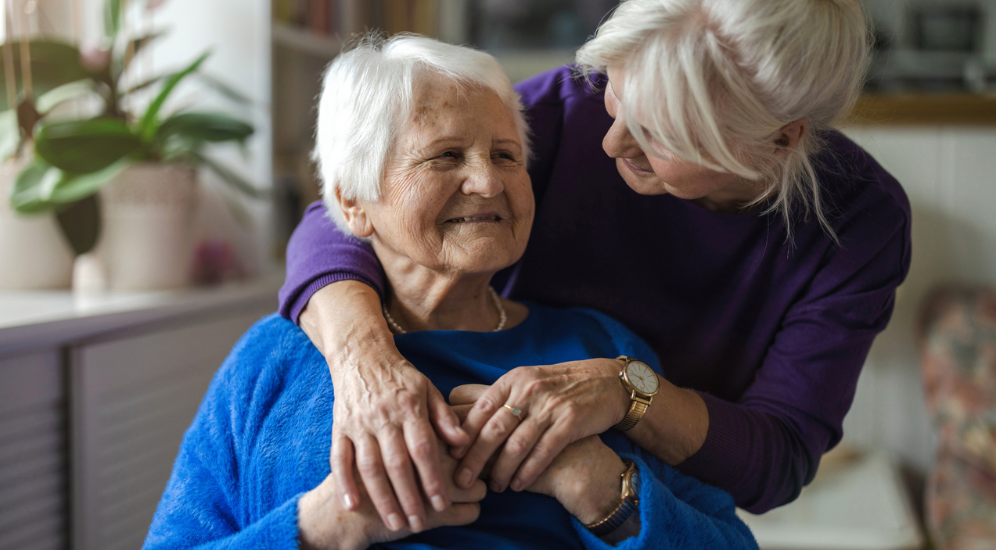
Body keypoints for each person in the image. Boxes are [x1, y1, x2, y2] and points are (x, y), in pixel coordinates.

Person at [280, 0, 913, 532]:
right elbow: (344, 213)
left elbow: (777, 459)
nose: (610, 143)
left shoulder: (860, 220)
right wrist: (367, 364)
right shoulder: (569, 111)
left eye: (660, 133)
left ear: (781, 139)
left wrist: (625, 394)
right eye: (616, 93)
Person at [143, 35, 758, 549]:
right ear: (353, 202)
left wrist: (600, 485)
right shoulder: (274, 359)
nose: (489, 182)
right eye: (445, 157)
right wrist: (327, 525)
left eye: (507, 155)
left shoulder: (598, 349)